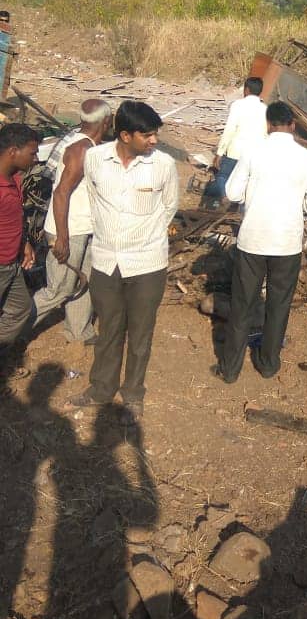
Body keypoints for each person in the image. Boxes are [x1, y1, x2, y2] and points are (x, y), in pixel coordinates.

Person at [70, 101, 179, 421]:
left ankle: (132, 393)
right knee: (108, 331)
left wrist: (144, 238)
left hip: (147, 264)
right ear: (125, 135)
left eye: (155, 134)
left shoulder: (163, 165)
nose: (154, 140)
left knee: (141, 334)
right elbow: (93, 198)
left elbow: (169, 207)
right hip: (105, 262)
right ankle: (101, 389)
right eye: (147, 135)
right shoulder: (95, 159)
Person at [214, 102, 307, 383]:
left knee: (242, 305)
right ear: (292, 125)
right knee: (278, 305)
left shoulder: (253, 153)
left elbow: (233, 192)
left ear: (268, 124)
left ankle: (230, 369)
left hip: (253, 240)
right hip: (286, 243)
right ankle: (268, 363)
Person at [32, 99, 113, 344]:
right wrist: (63, 237)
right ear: (106, 122)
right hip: (69, 228)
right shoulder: (82, 149)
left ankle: (79, 331)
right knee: (59, 289)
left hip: (85, 227)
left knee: (85, 280)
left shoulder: (80, 142)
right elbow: (61, 193)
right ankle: (11, 328)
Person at [0, 124, 40, 357]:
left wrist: (24, 242)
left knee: (19, 308)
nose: (36, 158)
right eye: (33, 152)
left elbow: (15, 216)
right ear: (13, 151)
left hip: (11, 263)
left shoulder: (14, 178)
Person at [204, 76, 268, 207]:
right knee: (246, 183)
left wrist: (219, 153)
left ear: (246, 90)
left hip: (235, 151)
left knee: (223, 176)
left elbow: (229, 130)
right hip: (254, 154)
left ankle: (224, 197)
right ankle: (241, 210)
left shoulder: (238, 105)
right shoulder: (265, 109)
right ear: (260, 91)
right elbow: (266, 134)